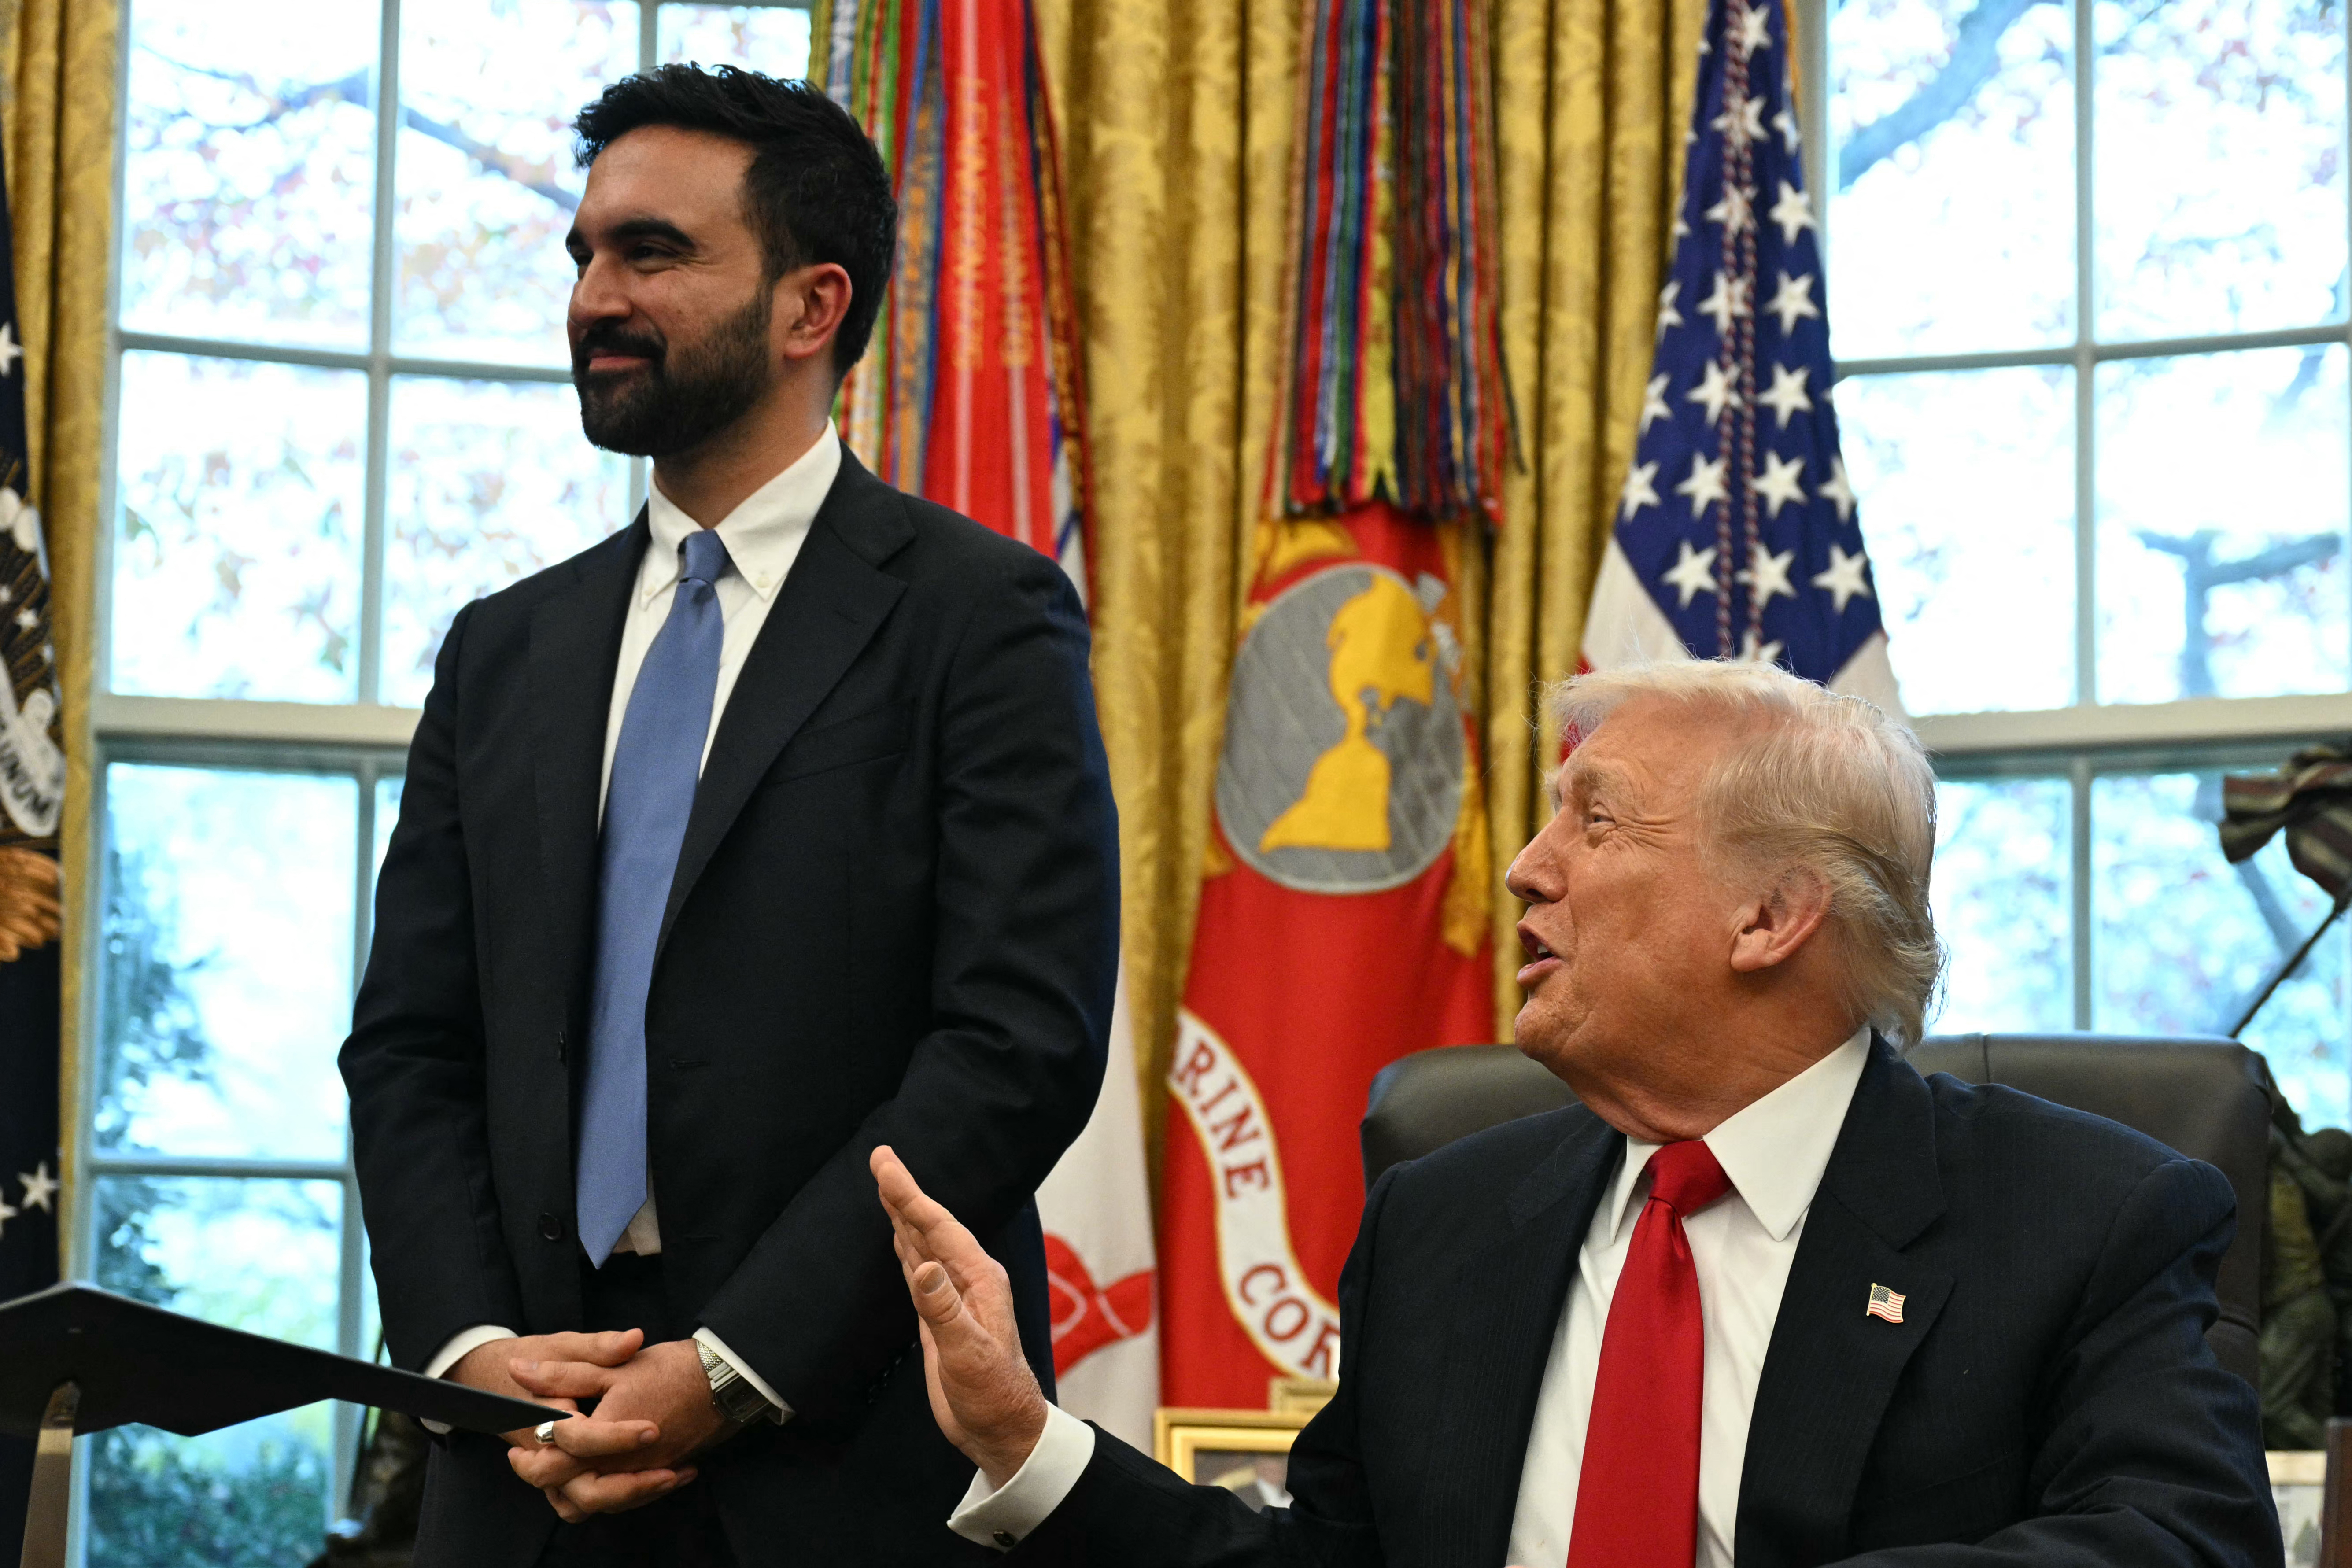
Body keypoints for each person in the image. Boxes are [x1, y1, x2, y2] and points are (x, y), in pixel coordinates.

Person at [871, 659, 2280, 1567]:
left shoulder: (2086, 1214)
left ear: (1772, 913)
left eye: (1595, 823)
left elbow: (2182, 1543)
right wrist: (1024, 1440)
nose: (1528, 870)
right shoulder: (1448, 1215)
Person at [341, 64, 1119, 1568]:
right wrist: (466, 1349)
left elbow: (1015, 1041)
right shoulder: (502, 649)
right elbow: (412, 1043)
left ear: (810, 307)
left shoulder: (982, 619)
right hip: (520, 1476)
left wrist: (730, 1365)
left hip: (840, 1467)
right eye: (582, 255)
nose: (591, 296)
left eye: (652, 252)